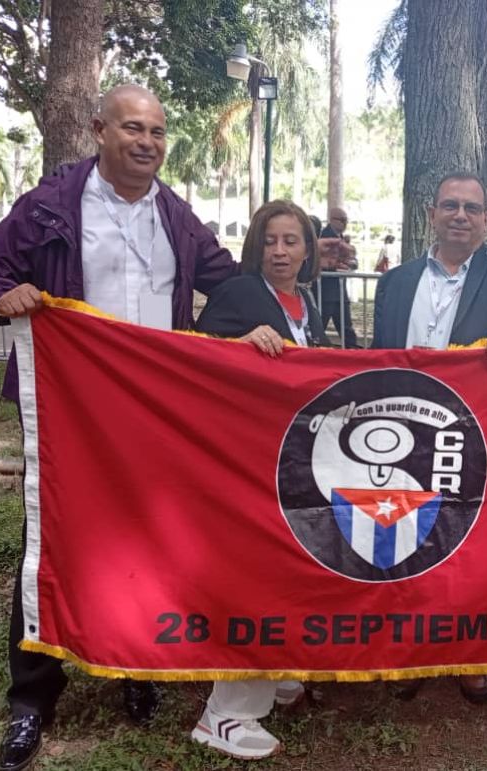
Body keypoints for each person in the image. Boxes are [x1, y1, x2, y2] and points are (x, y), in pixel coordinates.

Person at [0, 84, 238, 771]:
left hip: (153, 420)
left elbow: (227, 282)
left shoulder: (176, 214)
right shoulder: (51, 205)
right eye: (132, 129)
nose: (147, 143)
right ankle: (32, 698)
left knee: (147, 548)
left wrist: (265, 306)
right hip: (71, 418)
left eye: (157, 132)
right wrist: (4, 296)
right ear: (98, 130)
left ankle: (135, 667)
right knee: (52, 548)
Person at [372, 171, 487, 703]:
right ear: (431, 214)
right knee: (407, 541)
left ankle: (470, 656)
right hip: (403, 435)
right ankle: (409, 655)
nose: (460, 215)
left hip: (473, 438)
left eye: (471, 208)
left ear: (486, 218)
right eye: (449, 205)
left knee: (469, 547)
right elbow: (373, 358)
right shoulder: (397, 281)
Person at [191, 200, 323, 759]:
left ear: (308, 250)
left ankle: (279, 671)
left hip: (286, 459)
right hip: (244, 461)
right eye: (270, 240)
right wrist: (239, 347)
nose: (280, 251)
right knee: (254, 578)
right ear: (255, 247)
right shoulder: (241, 294)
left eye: (292, 241)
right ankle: (225, 713)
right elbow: (194, 357)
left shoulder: (307, 302)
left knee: (287, 569)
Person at [318, 206, 360, 347]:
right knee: (320, 326)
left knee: (346, 328)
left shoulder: (342, 238)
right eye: (342, 220)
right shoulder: (325, 237)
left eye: (346, 220)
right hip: (326, 292)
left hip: (340, 292)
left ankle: (353, 353)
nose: (345, 223)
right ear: (331, 220)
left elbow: (351, 261)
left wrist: (351, 263)